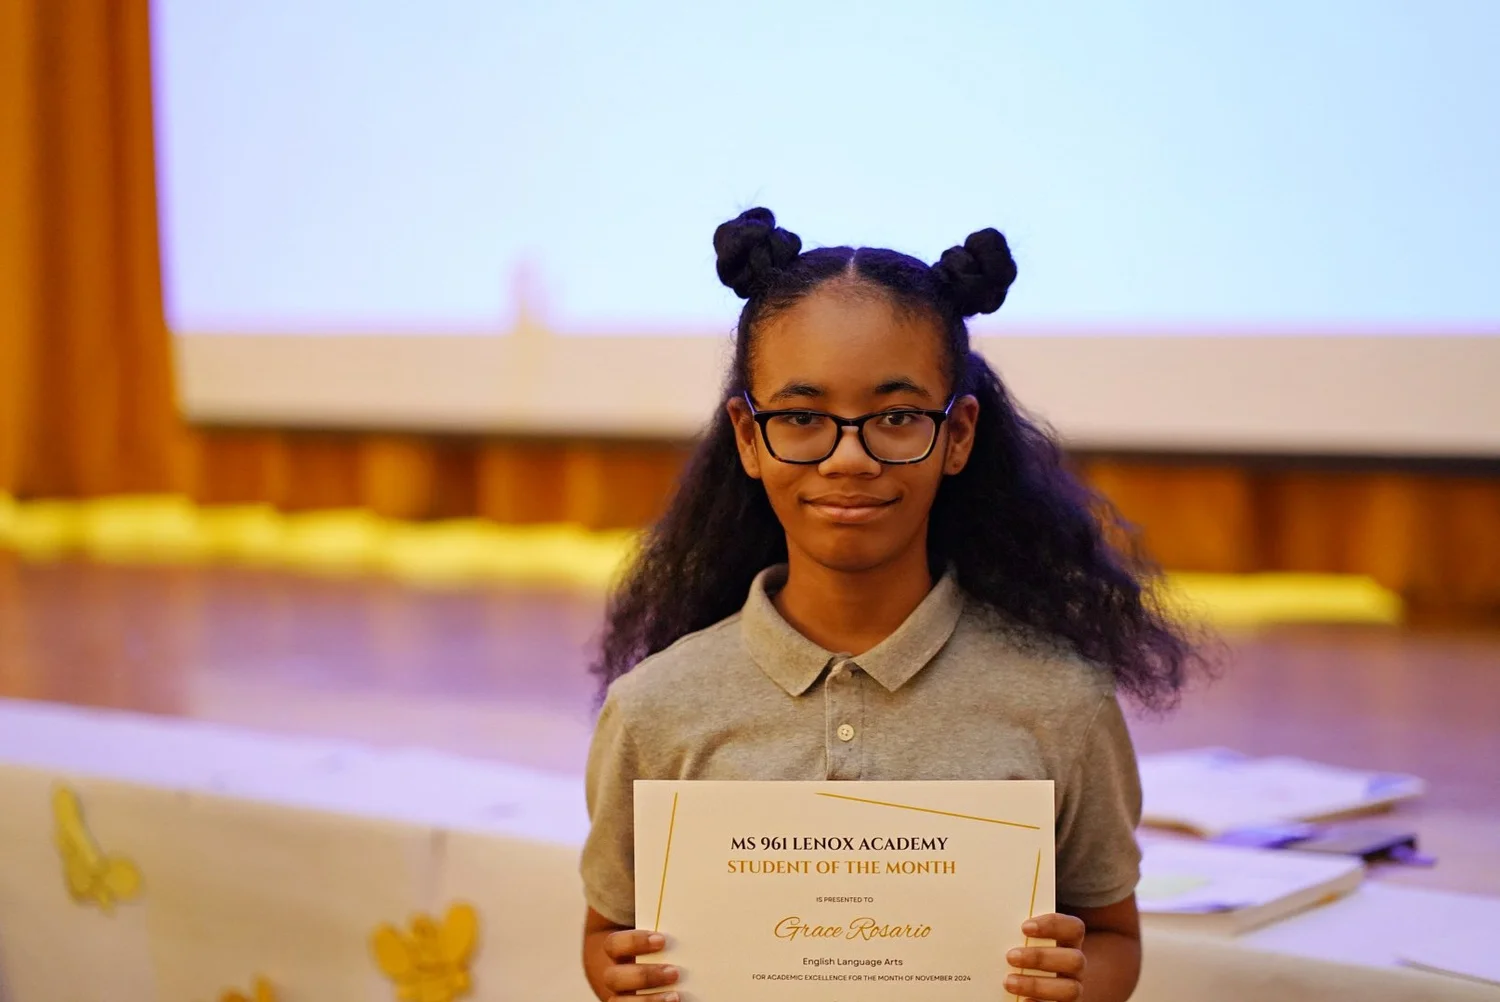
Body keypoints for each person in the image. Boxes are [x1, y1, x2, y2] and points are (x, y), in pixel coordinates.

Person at [579, 207, 1202, 1002]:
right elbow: (607, 936)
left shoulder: (1060, 701)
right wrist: (619, 975)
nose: (849, 458)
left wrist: (1078, 984)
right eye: (801, 418)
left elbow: (1112, 936)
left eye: (898, 418)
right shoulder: (654, 709)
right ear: (748, 435)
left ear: (959, 434)